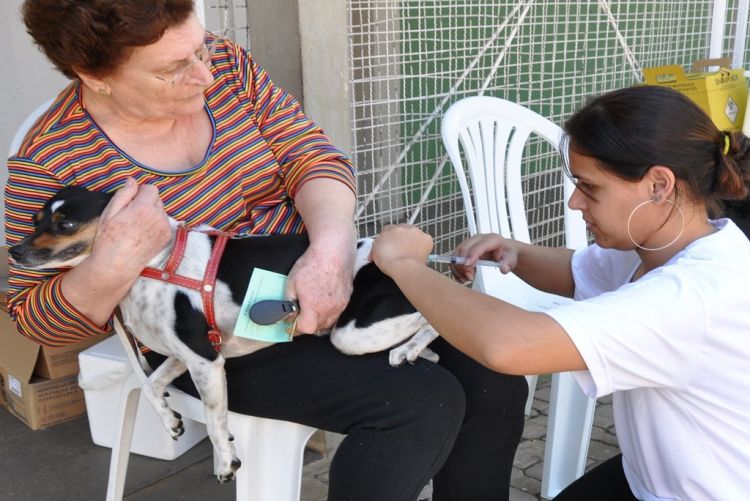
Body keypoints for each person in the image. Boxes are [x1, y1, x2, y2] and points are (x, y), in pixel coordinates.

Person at [7, 1, 527, 499]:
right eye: (173, 69)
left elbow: (311, 155)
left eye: (200, 51)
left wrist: (330, 251)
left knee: (490, 374)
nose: (205, 76)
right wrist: (117, 257)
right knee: (422, 403)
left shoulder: (229, 65)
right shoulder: (51, 156)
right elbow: (37, 319)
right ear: (93, 74)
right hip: (213, 332)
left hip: (316, 276)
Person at [371, 85, 750, 500]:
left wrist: (404, 265)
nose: (574, 202)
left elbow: (509, 345)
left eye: (590, 188)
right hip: (648, 478)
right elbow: (574, 271)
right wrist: (512, 250)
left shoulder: (691, 295)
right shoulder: (666, 246)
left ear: (658, 185)